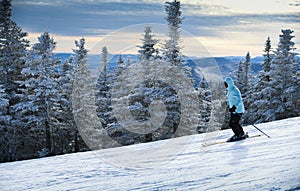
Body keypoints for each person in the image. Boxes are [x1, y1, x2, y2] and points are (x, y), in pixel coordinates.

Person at [224, 77, 247, 142]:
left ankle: (238, 134)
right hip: (234, 110)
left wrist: (234, 107)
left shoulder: (234, 90)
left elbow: (239, 100)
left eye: (225, 84)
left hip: (238, 110)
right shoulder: (230, 90)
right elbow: (231, 99)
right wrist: (226, 102)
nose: (224, 86)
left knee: (233, 123)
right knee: (234, 123)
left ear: (229, 84)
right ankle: (241, 133)